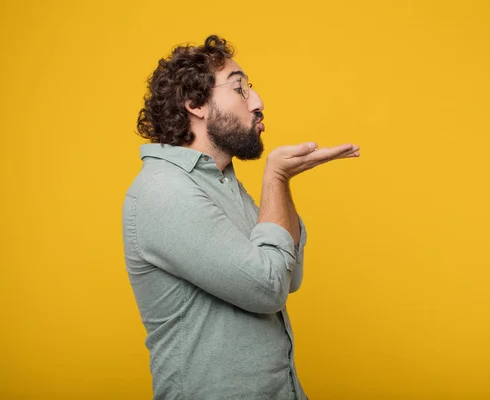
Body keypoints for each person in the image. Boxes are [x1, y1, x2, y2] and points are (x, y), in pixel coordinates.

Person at [122, 35, 360, 400]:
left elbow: (288, 275)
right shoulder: (164, 191)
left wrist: (280, 184)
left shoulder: (223, 183)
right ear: (195, 104)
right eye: (240, 88)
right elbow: (267, 289)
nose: (258, 102)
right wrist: (276, 177)